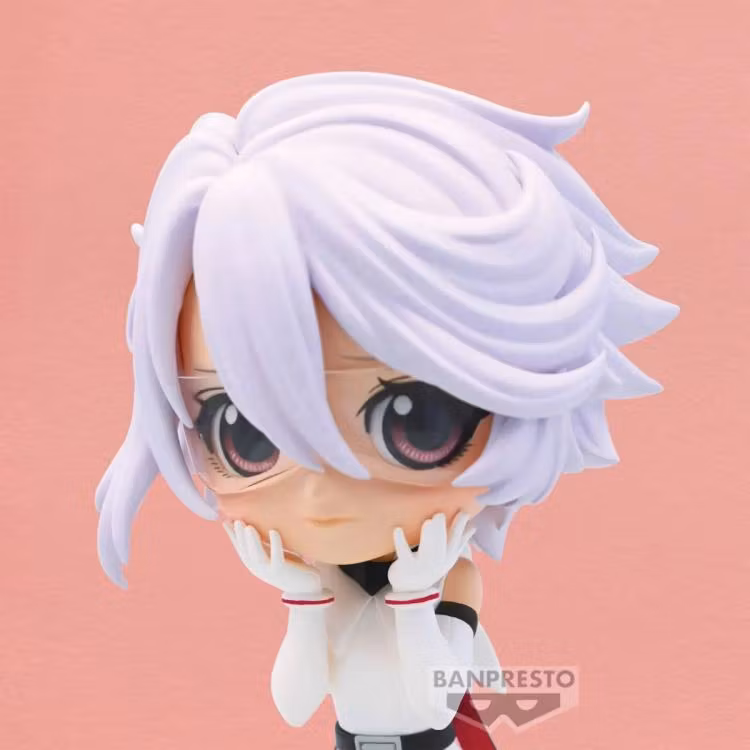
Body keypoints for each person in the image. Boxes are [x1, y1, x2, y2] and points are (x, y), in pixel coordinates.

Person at [96, 71, 678, 750]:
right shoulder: (329, 581)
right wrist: (299, 597)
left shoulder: (451, 579)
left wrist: (415, 598)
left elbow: (436, 702)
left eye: (414, 421)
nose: (321, 490)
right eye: (243, 433)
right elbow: (296, 705)